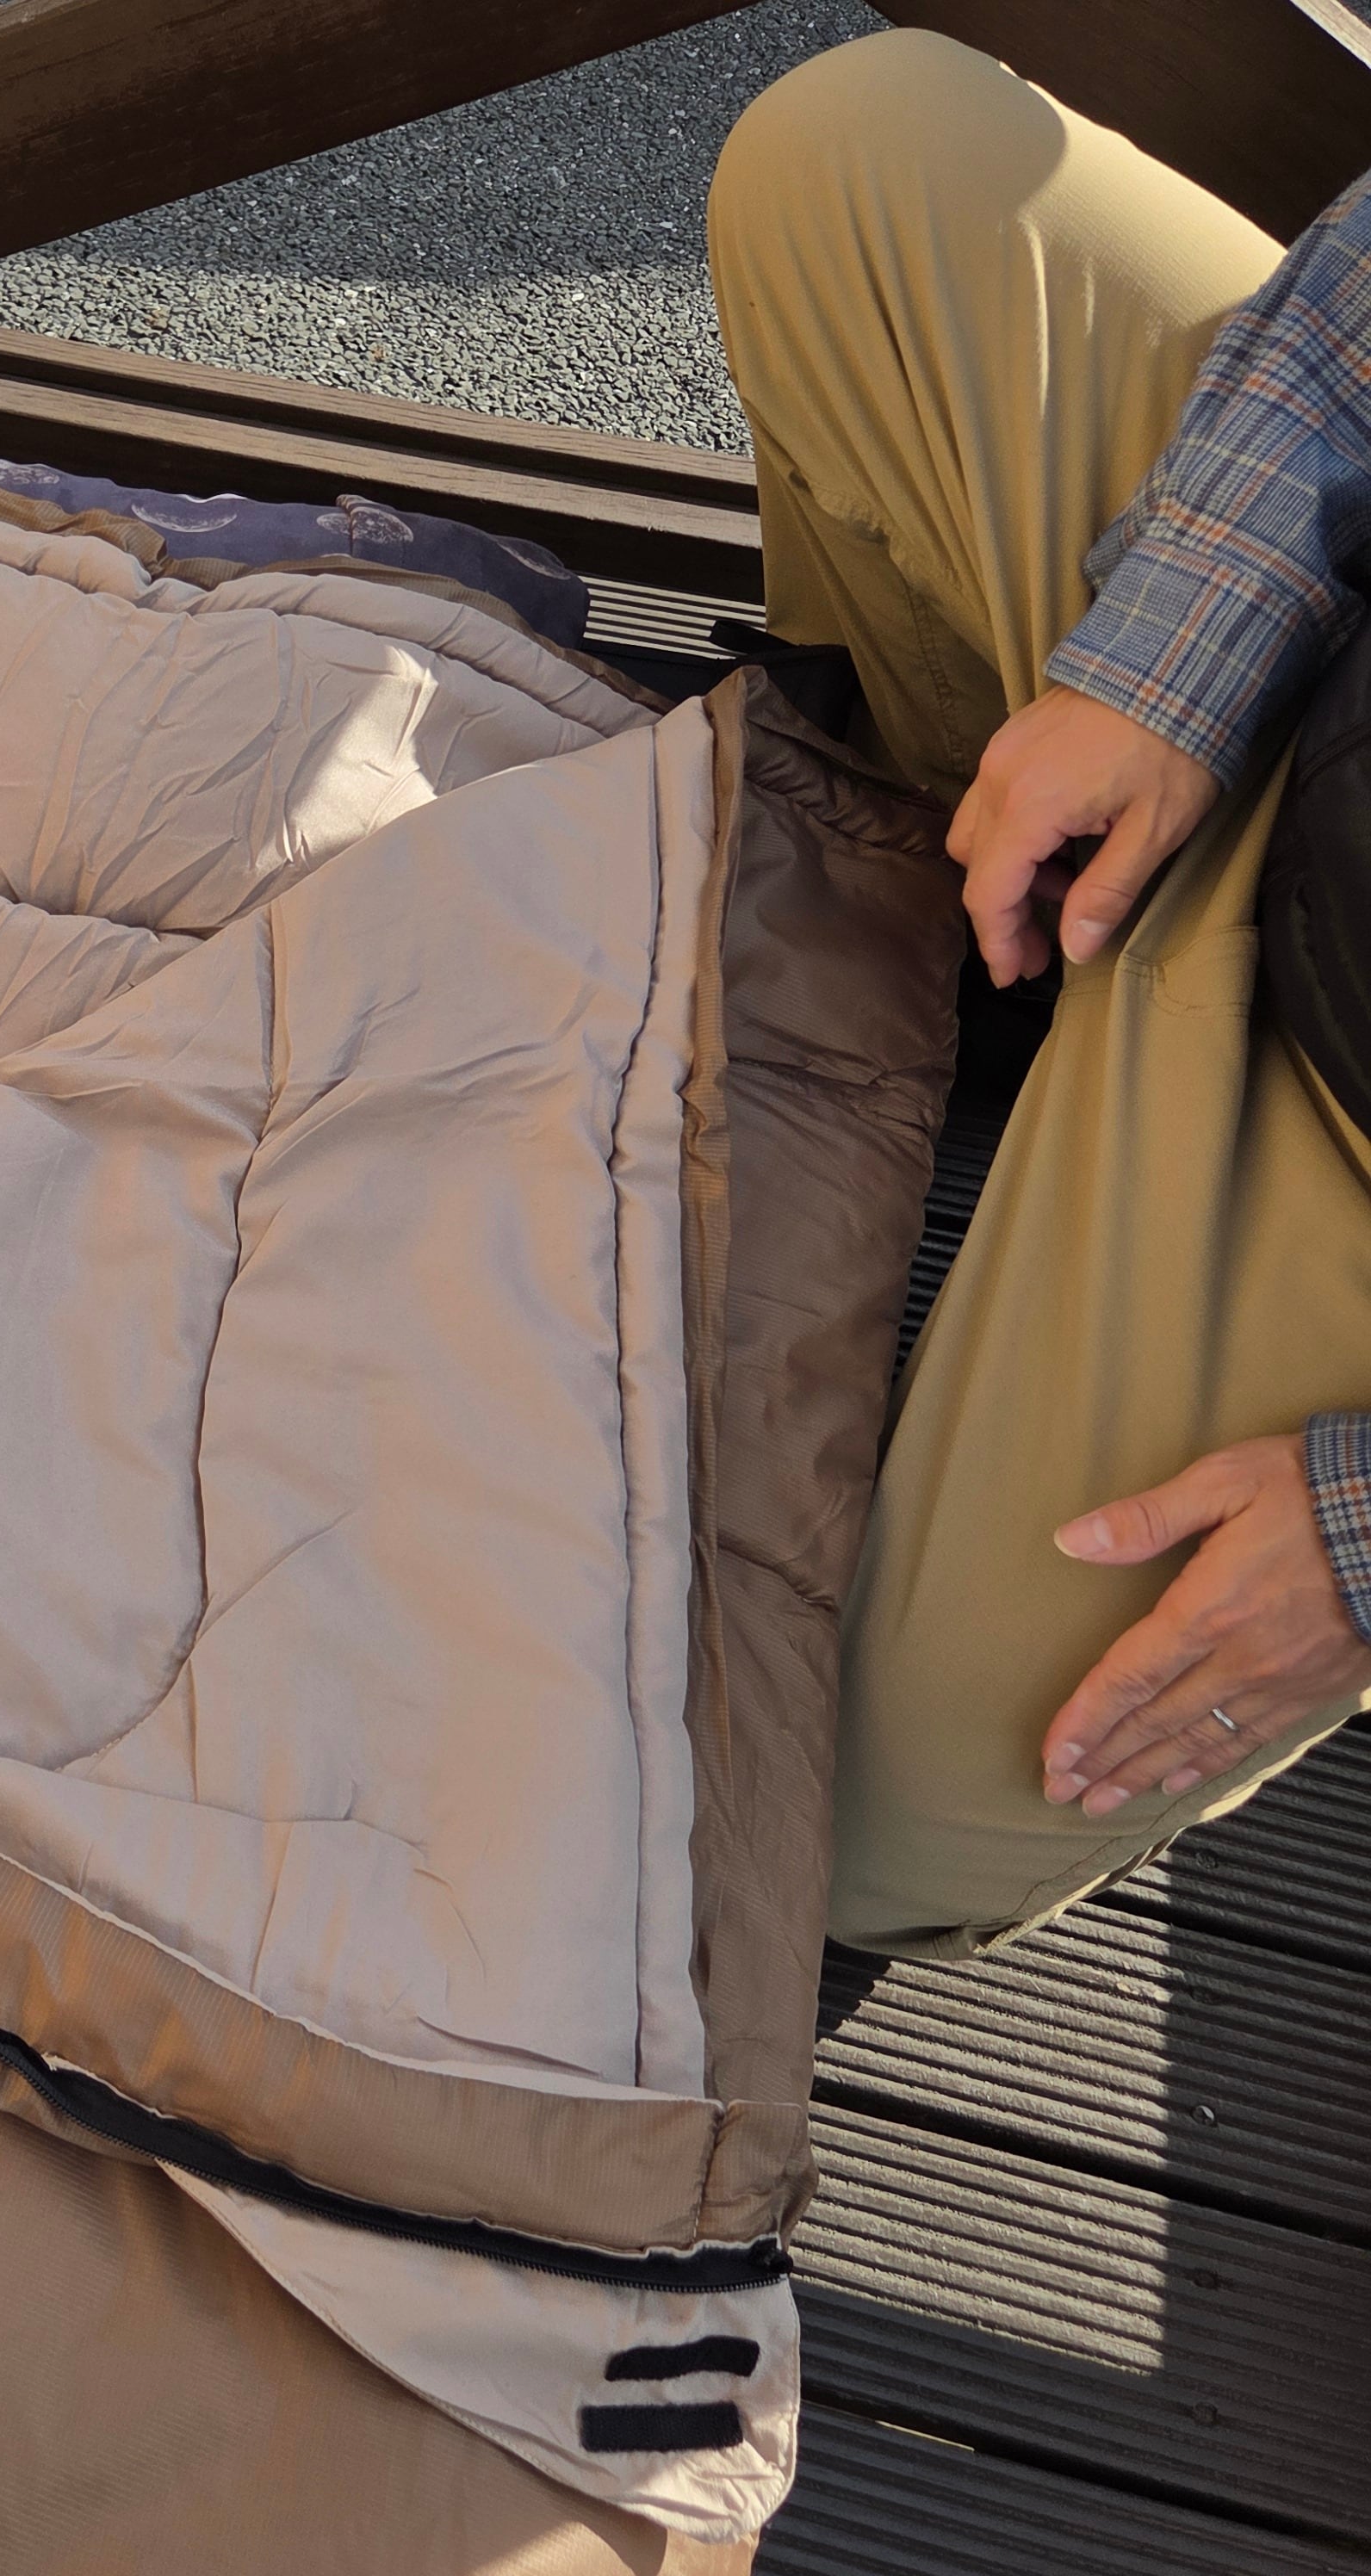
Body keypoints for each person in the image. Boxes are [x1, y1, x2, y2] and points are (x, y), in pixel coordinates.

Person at [707, 28, 1371, 1951]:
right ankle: (970, 875)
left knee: (815, 1807)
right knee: (853, 161)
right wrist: (1164, 659)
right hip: (1312, 710)